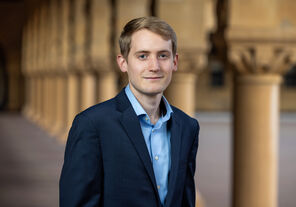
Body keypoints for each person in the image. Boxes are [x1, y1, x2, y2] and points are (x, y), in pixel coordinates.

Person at [59, 16, 200, 207]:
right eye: (142, 56)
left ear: (174, 62)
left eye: (163, 55)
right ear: (123, 62)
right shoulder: (92, 124)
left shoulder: (188, 126)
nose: (154, 66)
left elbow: (185, 200)